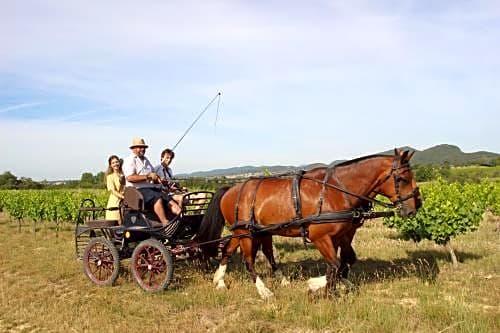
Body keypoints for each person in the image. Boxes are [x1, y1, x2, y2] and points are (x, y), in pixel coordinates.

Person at [122, 137, 180, 234]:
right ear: (133, 149)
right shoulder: (129, 160)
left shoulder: (146, 160)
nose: (143, 150)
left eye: (144, 148)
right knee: (157, 198)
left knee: (169, 199)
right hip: (137, 190)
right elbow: (130, 178)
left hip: (150, 188)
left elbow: (154, 175)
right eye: (140, 147)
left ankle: (179, 219)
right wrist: (147, 176)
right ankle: (165, 224)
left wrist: (160, 180)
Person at [105, 155, 125, 223]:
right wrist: (123, 197)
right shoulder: (110, 177)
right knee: (116, 222)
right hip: (115, 201)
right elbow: (113, 191)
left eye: (116, 162)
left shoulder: (123, 174)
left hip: (125, 201)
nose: (115, 164)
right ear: (110, 165)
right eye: (113, 163)